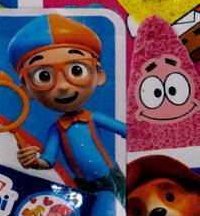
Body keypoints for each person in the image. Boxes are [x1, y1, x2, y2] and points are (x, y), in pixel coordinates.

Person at [8, 14, 126, 197]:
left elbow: (128, 131)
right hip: (83, 185)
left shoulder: (94, 118)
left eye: (76, 70)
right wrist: (33, 162)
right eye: (44, 76)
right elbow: (48, 160)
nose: (63, 86)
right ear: (27, 89)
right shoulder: (56, 130)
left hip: (113, 176)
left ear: (99, 74)